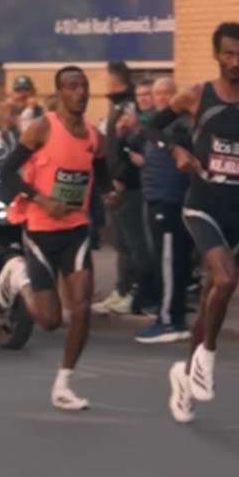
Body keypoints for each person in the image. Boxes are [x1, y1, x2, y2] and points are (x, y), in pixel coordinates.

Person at [146, 22, 239, 423]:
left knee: (212, 298)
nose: (235, 61)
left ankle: (184, 375)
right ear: (216, 54)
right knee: (227, 279)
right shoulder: (196, 94)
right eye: (228, 54)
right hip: (202, 205)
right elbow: (151, 127)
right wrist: (176, 150)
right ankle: (207, 358)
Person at [0, 66, 113, 411]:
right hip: (41, 230)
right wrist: (41, 199)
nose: (80, 93)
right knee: (49, 321)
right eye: (72, 87)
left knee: (82, 306)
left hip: (76, 230)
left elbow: (104, 180)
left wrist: (112, 193)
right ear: (59, 93)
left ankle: (64, 383)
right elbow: (7, 171)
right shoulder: (43, 127)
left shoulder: (94, 138)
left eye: (84, 86)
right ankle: (17, 273)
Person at [131, 77, 193, 343]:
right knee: (166, 259)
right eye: (157, 93)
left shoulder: (179, 125)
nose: (161, 98)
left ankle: (169, 320)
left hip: (170, 198)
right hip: (156, 197)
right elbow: (135, 143)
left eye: (167, 92)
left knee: (169, 261)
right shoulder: (154, 125)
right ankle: (169, 314)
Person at [93, 62, 155, 317]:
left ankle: (137, 294)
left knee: (134, 242)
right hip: (117, 184)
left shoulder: (129, 106)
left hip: (130, 186)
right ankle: (122, 289)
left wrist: (120, 177)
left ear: (114, 78)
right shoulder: (118, 105)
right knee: (122, 242)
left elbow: (130, 148)